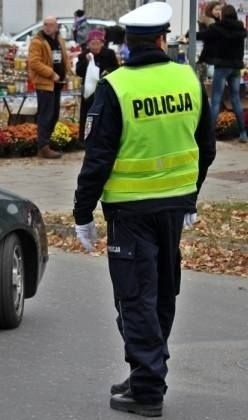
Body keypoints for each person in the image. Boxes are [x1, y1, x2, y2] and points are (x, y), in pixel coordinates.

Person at [73, 2, 216, 417]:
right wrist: (190, 196)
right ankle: (145, 372)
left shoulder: (116, 87)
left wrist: (83, 214)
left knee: (136, 298)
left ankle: (148, 390)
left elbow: (97, 158)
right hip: (173, 210)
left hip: (130, 213)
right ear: (161, 39)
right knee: (161, 296)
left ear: (127, 46)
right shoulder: (187, 78)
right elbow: (206, 145)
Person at [197, 4, 247, 142]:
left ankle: (210, 134)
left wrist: (189, 34)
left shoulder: (218, 28)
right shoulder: (240, 28)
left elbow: (203, 35)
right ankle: (243, 133)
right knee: (236, 99)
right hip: (236, 67)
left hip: (222, 66)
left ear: (223, 14)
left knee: (216, 100)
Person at [28, 15, 71, 159]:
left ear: (56, 26)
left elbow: (64, 57)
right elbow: (34, 63)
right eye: (45, 24)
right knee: (45, 115)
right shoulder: (37, 41)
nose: (48, 27)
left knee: (54, 115)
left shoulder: (59, 39)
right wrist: (51, 74)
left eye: (51, 24)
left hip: (57, 84)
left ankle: (46, 143)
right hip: (45, 83)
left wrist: (67, 72)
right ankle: (43, 147)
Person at [75, 29, 119, 145]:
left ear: (102, 43)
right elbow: (78, 71)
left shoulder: (109, 54)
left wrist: (107, 72)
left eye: (97, 43)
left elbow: (116, 69)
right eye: (92, 44)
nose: (95, 47)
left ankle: (104, 137)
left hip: (104, 88)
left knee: (105, 113)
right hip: (89, 91)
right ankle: (84, 139)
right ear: (88, 44)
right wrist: (86, 62)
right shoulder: (84, 55)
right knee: (87, 114)